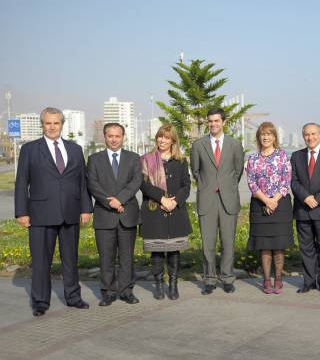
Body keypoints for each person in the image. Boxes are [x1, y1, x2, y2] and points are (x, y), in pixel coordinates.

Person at [14, 107, 92, 316]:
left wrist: (86, 208)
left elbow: (81, 182)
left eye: (56, 123)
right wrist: (21, 212)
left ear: (62, 124)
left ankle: (74, 297)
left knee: (71, 259)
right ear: (42, 124)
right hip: (40, 214)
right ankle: (40, 302)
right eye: (48, 123)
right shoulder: (29, 149)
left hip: (70, 212)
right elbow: (22, 182)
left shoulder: (75, 149)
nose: (52, 127)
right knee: (40, 261)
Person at [87, 123, 143, 306]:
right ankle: (108, 293)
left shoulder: (133, 158)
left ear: (123, 137)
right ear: (104, 137)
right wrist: (110, 202)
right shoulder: (94, 159)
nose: (113, 139)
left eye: (117, 136)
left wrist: (120, 200)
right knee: (106, 258)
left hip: (127, 214)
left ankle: (127, 291)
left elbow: (136, 181)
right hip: (104, 215)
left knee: (127, 257)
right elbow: (92, 184)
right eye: (110, 136)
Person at [190, 108, 245, 295]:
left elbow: (238, 172)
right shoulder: (198, 145)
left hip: (228, 199)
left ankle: (228, 278)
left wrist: (225, 185)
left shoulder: (235, 145)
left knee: (228, 242)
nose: (213, 124)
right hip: (207, 199)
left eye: (216, 121)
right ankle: (210, 279)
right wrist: (209, 185)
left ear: (224, 122)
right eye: (210, 121)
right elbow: (196, 171)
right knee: (208, 243)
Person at [139, 124, 192, 300]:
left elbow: (187, 185)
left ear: (173, 141)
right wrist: (161, 198)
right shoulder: (147, 159)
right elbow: (143, 185)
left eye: (167, 137)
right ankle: (160, 285)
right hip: (154, 211)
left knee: (174, 251)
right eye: (160, 136)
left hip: (175, 211)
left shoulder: (181, 160)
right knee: (157, 252)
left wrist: (174, 201)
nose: (162, 140)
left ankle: (174, 285)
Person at [291, 123, 320, 294]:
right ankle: (309, 281)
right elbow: (294, 181)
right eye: (306, 134)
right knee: (306, 248)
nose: (310, 137)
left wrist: (317, 199)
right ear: (303, 136)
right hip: (303, 209)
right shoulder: (296, 156)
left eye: (313, 134)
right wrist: (306, 197)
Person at [246, 122, 294, 294]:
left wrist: (274, 200)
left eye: (269, 134)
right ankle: (266, 280)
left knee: (279, 246)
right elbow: (251, 182)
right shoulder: (253, 159)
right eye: (262, 134)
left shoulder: (282, 156)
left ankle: (279, 280)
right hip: (260, 204)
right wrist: (266, 200)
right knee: (265, 245)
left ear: (274, 137)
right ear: (259, 137)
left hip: (281, 205)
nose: (265, 137)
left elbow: (286, 180)